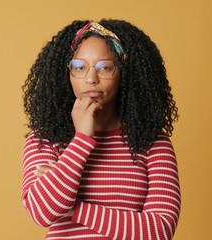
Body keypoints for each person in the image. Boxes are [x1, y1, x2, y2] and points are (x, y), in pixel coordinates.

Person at [21, 19, 180, 240]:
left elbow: (159, 230)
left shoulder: (152, 142)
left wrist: (74, 208)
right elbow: (41, 212)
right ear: (66, 74)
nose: (91, 79)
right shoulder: (45, 139)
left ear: (124, 73)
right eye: (79, 67)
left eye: (105, 67)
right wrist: (82, 139)